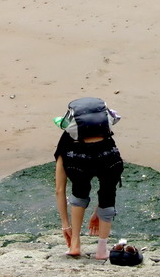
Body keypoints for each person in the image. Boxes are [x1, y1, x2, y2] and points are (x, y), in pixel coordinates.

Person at [54, 97, 124, 259]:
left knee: (79, 191)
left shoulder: (66, 140)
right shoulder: (106, 137)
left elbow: (59, 190)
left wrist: (65, 225)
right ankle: (101, 250)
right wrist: (98, 211)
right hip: (109, 158)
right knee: (108, 196)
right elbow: (109, 186)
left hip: (76, 161)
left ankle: (75, 243)